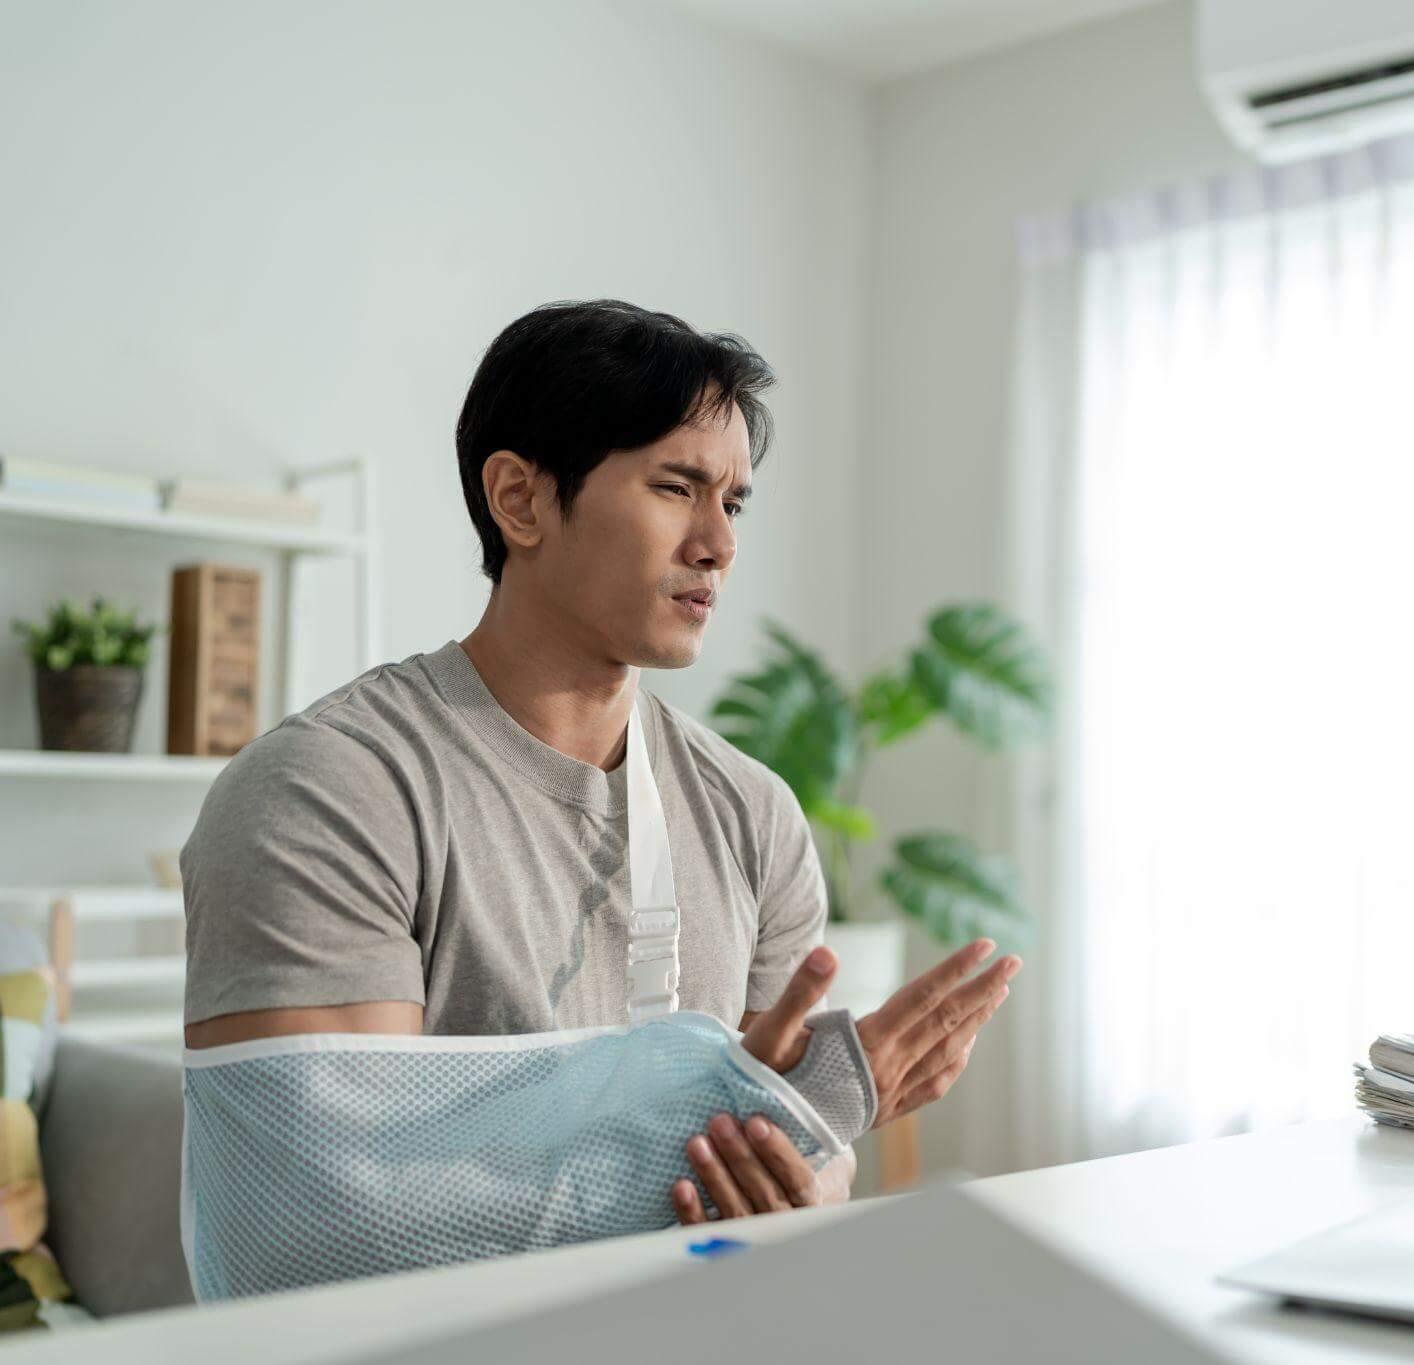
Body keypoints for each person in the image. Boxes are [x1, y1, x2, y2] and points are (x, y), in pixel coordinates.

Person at [181, 298, 1018, 1239]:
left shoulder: (753, 816)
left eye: (733, 501)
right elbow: (318, 1225)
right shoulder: (329, 792)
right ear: (520, 499)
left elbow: (795, 1178)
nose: (720, 544)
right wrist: (781, 1126)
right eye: (675, 487)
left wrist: (805, 1175)